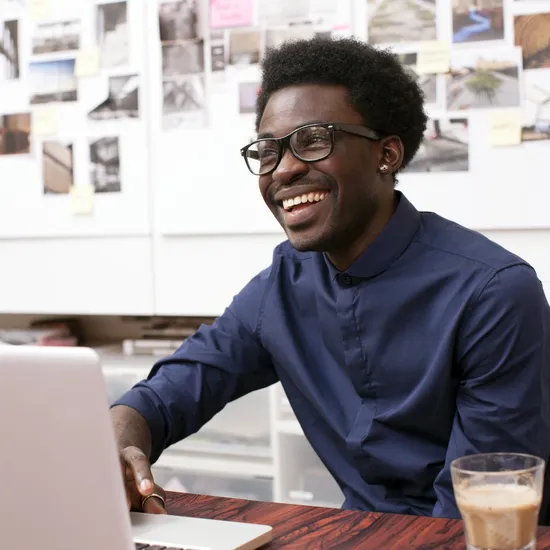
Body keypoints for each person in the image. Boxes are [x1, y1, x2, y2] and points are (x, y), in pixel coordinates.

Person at [111, 36, 550, 520]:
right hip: (359, 531)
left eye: (313, 140)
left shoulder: (494, 292)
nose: (285, 170)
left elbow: (482, 501)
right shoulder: (282, 283)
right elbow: (180, 386)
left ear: (387, 154)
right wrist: (123, 436)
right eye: (268, 150)